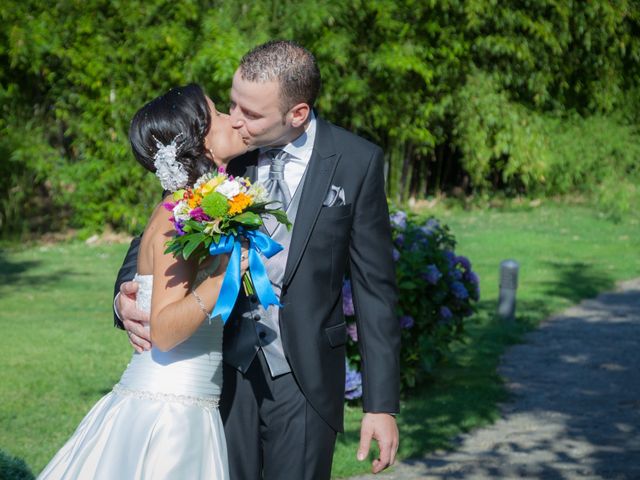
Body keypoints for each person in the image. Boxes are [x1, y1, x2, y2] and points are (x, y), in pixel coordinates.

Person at [115, 40, 401, 479]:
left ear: (297, 114)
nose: (234, 119)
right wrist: (123, 298)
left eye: (250, 113)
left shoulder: (356, 162)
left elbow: (374, 288)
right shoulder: (224, 150)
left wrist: (380, 405)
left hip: (304, 376)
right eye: (231, 104)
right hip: (223, 373)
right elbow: (156, 235)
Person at [38, 84, 249, 479]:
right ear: (196, 141)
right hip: (171, 411)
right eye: (218, 113)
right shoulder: (177, 220)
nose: (231, 119)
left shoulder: (189, 209)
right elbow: (166, 331)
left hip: (186, 397)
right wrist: (223, 275)